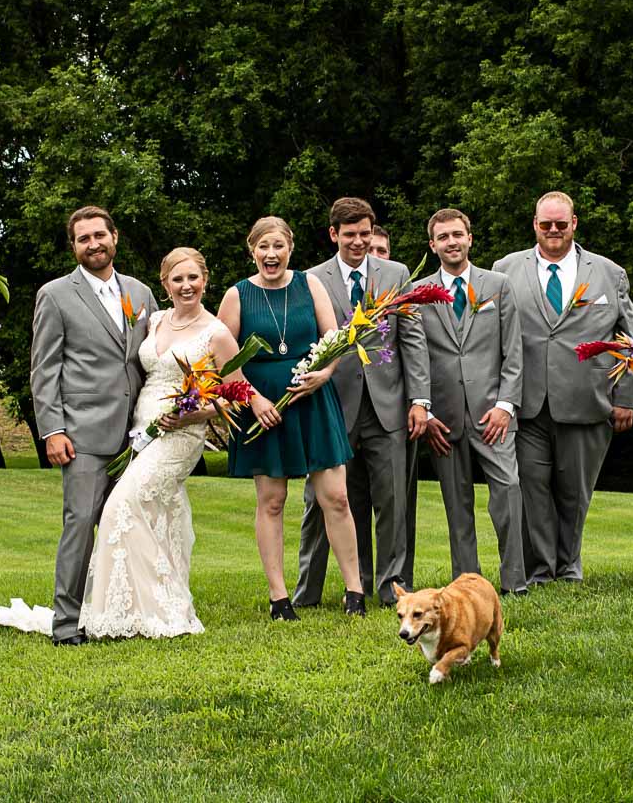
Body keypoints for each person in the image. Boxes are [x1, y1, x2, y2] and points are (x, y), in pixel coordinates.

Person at [79, 248, 242, 639]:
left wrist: (194, 414)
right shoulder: (153, 321)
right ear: (164, 284)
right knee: (159, 515)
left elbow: (236, 393)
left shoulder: (216, 333)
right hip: (142, 429)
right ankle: (128, 609)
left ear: (205, 281)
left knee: (123, 504)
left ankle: (163, 608)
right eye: (178, 279)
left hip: (182, 437)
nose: (186, 286)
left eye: (193, 278)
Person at [221, 216, 366, 619]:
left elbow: (334, 337)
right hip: (266, 409)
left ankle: (354, 591)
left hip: (314, 402)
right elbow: (222, 356)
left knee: (335, 497)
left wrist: (325, 373)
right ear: (253, 250)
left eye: (278, 247)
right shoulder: (237, 295)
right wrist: (253, 400)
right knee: (272, 500)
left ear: (290, 249)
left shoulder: (309, 284)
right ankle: (279, 598)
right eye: (263, 247)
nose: (271, 254)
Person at [493, 191, 633, 586]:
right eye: (546, 225)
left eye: (561, 224)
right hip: (526, 402)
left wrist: (625, 397)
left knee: (575, 492)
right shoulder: (505, 270)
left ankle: (569, 565)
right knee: (531, 489)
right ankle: (540, 569)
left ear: (574, 223)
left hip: (588, 400)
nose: (553, 231)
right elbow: (495, 336)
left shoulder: (609, 273)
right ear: (534, 225)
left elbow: (629, 339)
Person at [30, 206, 160, 645]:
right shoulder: (55, 295)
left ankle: (121, 613)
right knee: (81, 523)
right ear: (74, 246)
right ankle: (66, 623)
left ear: (115, 237)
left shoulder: (141, 293)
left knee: (131, 525)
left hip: (139, 431)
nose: (93, 244)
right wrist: (53, 430)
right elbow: (44, 369)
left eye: (99, 235)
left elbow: (153, 356)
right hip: (82, 432)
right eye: (83, 239)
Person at [293, 198, 429, 608]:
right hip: (332, 404)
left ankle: (392, 589)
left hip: (386, 406)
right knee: (321, 501)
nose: (358, 241)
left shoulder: (396, 273)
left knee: (392, 503)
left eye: (365, 234)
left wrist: (419, 399)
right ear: (334, 234)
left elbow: (412, 336)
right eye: (349, 234)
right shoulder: (311, 278)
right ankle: (307, 590)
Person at [417, 209, 527, 595]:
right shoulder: (420, 293)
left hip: (493, 413)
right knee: (456, 504)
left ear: (470, 238)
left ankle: (516, 581)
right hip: (443, 420)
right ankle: (468, 584)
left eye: (457, 234)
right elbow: (416, 359)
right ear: (433, 245)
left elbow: (513, 351)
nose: (451, 242)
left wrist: (506, 405)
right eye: (443, 237)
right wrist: (425, 411)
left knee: (509, 490)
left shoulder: (497, 285)